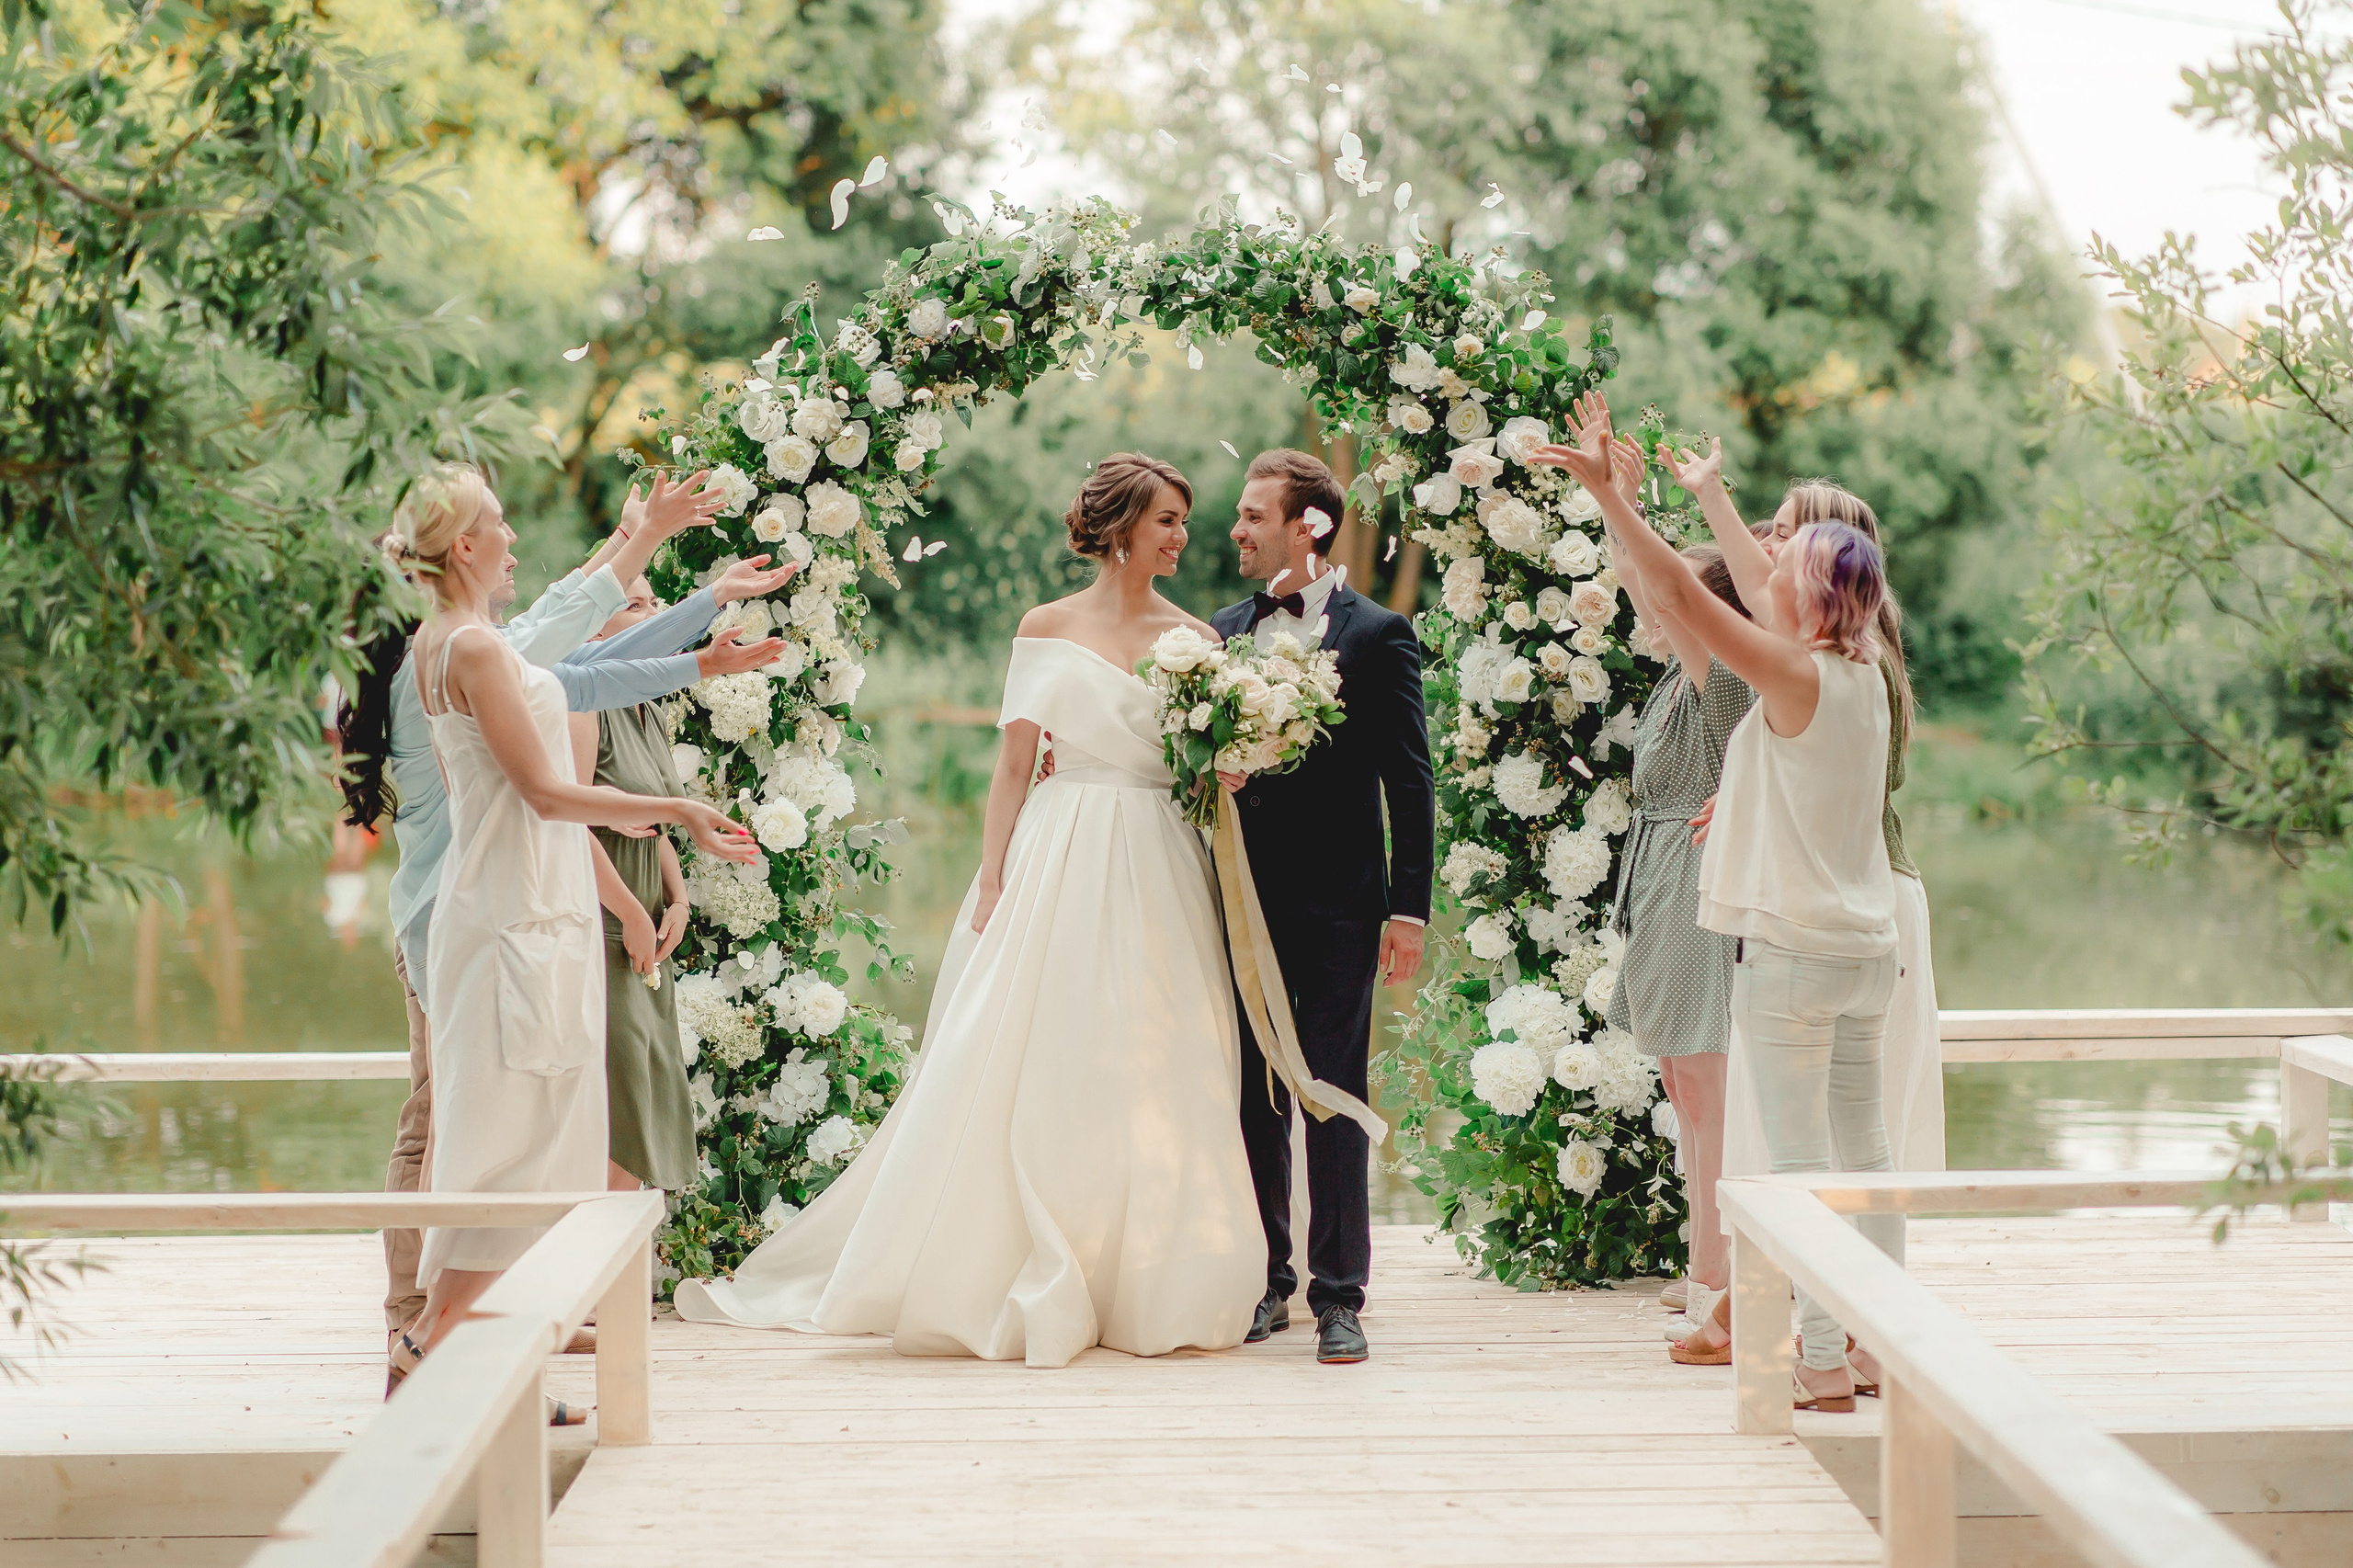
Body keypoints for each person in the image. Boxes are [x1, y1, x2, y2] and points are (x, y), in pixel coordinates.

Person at [675, 453, 1267, 1368]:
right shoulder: (1046, 627)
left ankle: (1145, 1270)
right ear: (1119, 529)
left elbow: (1201, 769)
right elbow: (1014, 764)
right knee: (1049, 1045)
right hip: (1061, 848)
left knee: (1160, 1049)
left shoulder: (1196, 638)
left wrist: (1227, 766)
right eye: (1166, 521)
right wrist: (993, 879)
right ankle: (1025, 1252)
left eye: (1184, 521)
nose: (1182, 537)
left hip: (1160, 853)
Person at [336, 479, 797, 1353]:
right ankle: (423, 1328)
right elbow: (559, 690)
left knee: (522, 1130)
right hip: (475, 908)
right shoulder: (466, 649)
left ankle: (488, 1337)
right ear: (460, 548)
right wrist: (678, 810)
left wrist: (698, 641)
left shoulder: (466, 644)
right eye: (498, 525)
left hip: (519, 902)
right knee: (463, 1126)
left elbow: (574, 671)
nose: (513, 537)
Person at [1534, 427, 1900, 1415]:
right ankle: (1875, 1342)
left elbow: (1682, 592)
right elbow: (1734, 579)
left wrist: (1612, 498)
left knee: (1795, 1167)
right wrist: (1707, 493)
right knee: (1867, 1155)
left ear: (1809, 600)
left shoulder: (1792, 675)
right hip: (1868, 951)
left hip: (1795, 953)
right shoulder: (1867, 676)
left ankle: (1818, 1359)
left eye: (1784, 569)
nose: (1766, 575)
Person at [1209, 449, 1435, 1367]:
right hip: (1238, 900)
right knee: (1253, 1091)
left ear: (1309, 526)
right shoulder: (1222, 631)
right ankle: (1268, 1278)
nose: (1237, 528)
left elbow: (1409, 781)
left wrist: (1408, 910)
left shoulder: (1378, 634)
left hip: (1343, 904)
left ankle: (1340, 1295)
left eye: (1254, 514)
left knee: (1334, 1091)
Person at [1562, 400, 1755, 1335]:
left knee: (1706, 1085)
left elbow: (1667, 596)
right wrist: (1620, 505)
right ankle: (1703, 1255)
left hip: (1700, 873)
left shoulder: (1727, 680)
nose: (1663, 609)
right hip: (1660, 872)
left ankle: (1719, 1275)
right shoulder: (1679, 676)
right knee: (1682, 1081)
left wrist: (1616, 498)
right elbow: (1649, 590)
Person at [1711, 482, 1944, 1177]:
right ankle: (1831, 1246)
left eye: (1784, 535)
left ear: (1820, 560)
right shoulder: (1849, 659)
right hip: (1846, 914)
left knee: (1843, 1139)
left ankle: (1816, 1248)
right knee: (1849, 1139)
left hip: (1852, 909)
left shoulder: (1849, 667)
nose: (1767, 546)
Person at [568, 578, 699, 1195]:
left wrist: (678, 901)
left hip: (649, 921)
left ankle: (623, 1257)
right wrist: (630, 914)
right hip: (604, 921)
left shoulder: (649, 705)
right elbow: (567, 823)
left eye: (655, 602)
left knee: (647, 1099)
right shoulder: (583, 704)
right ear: (595, 627)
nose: (656, 613)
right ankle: (590, 1256)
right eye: (637, 604)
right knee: (617, 1114)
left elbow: (658, 823)